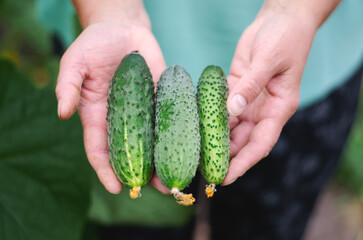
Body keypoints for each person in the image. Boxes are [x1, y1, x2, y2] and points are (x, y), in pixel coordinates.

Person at [55, 0, 363, 239]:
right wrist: (107, 12)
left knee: (265, 228)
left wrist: (297, 13)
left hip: (290, 65)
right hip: (115, 34)